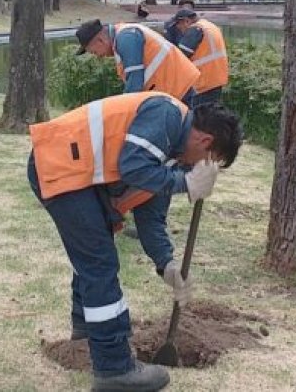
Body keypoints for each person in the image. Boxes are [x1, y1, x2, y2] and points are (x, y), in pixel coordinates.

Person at [27, 93, 243, 392]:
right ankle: (114, 370)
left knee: (94, 255)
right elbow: (133, 167)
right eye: (211, 163)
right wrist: (186, 184)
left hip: (77, 174)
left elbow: (151, 217)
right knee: (99, 263)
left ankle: (87, 331)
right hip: (61, 163)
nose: (202, 171)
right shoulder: (166, 116)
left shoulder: (173, 155)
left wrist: (167, 264)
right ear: (206, 142)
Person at [75, 19, 199, 104]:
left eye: (94, 52)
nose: (98, 57)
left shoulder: (126, 38)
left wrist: (124, 112)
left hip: (178, 89)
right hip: (175, 87)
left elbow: (134, 83)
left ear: (100, 40)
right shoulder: (124, 36)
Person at [164, 8, 229, 106]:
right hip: (216, 81)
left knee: (198, 118)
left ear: (186, 21)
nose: (179, 30)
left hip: (202, 83)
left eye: (179, 25)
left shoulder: (195, 29)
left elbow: (179, 58)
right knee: (211, 115)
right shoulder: (210, 26)